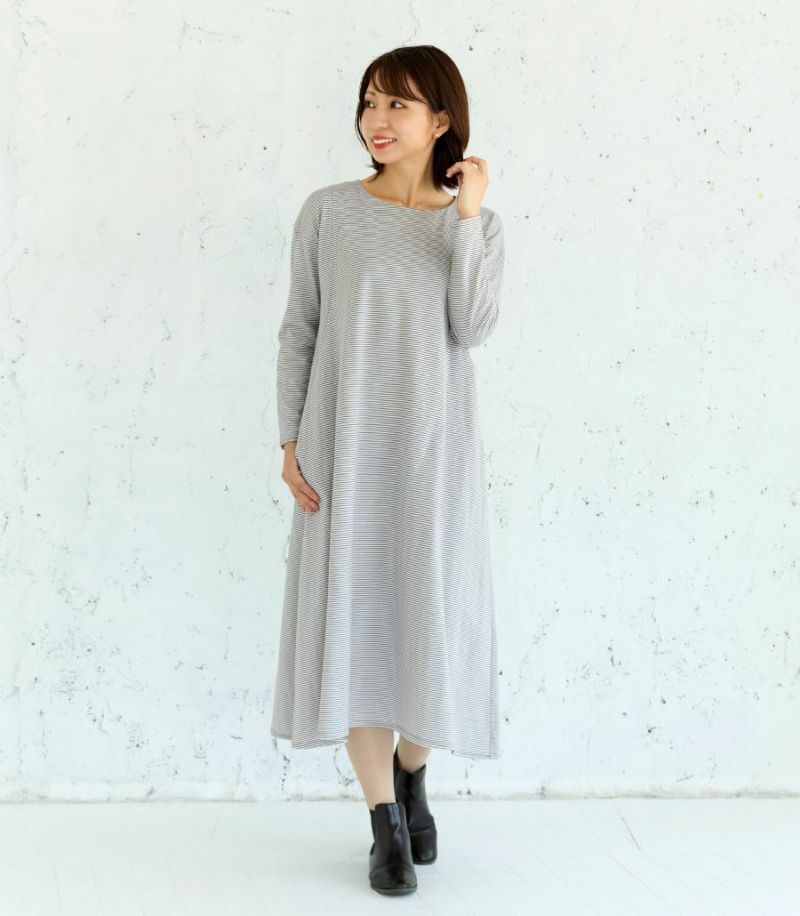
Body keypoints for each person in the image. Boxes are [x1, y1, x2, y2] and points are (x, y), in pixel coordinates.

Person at [271, 44, 506, 896]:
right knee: (355, 627)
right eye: (371, 101)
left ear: (441, 120)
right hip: (343, 450)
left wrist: (467, 217)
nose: (377, 119)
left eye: (398, 104)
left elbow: (473, 326)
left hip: (433, 457)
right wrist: (290, 439)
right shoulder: (329, 213)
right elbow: (300, 327)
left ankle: (413, 772)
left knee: (429, 624)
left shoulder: (473, 223)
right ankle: (384, 826)